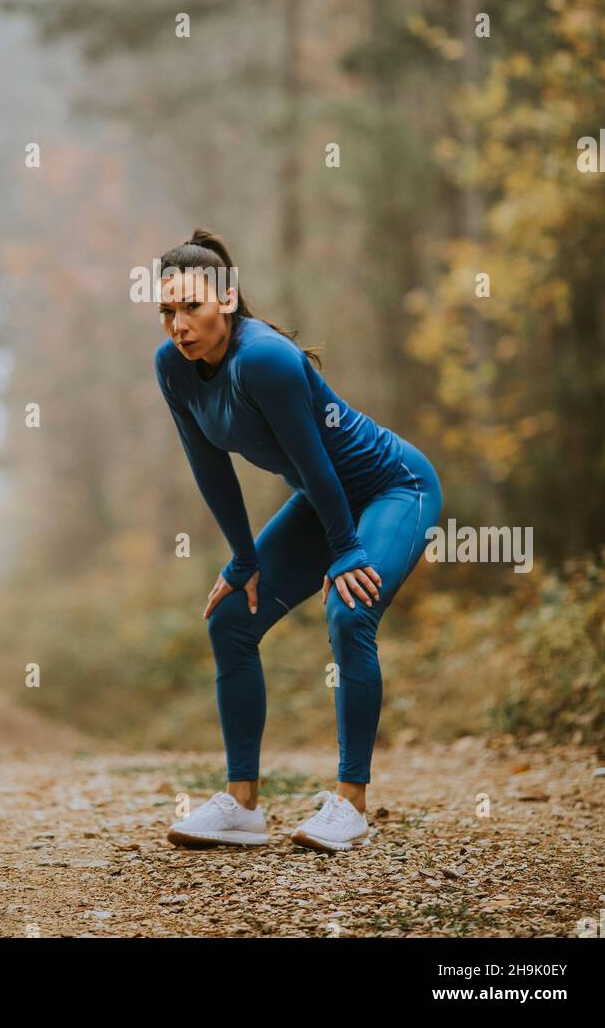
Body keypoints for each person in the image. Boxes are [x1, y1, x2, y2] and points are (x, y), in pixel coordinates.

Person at [153, 228, 443, 852]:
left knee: (349, 606)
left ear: (226, 300)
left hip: (395, 488)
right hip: (327, 499)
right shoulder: (172, 369)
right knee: (230, 617)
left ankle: (351, 804)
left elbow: (315, 463)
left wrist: (345, 550)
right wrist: (242, 560)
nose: (178, 324)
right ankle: (241, 805)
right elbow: (210, 469)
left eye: (192, 307)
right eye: (167, 311)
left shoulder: (266, 359)